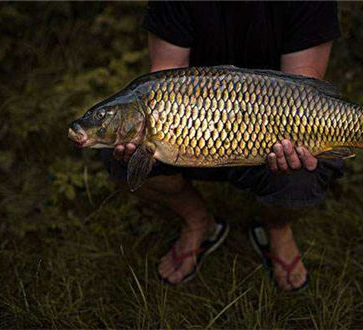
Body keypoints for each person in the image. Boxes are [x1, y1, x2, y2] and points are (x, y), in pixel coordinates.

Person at [101, 1, 343, 291]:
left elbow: (303, 88)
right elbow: (165, 74)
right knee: (120, 157)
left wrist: (295, 135)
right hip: (191, 130)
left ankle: (278, 228)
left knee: (305, 170)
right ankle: (197, 220)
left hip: (269, 131)